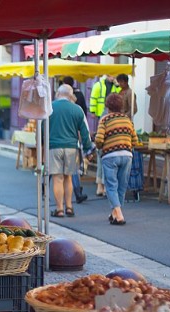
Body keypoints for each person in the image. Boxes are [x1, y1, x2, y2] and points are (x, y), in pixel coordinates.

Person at [48, 84, 93, 218]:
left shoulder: (50, 108)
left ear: (58, 93)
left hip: (54, 146)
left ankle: (59, 209)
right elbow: (85, 131)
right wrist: (87, 149)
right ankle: (69, 207)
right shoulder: (77, 109)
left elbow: (43, 128)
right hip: (71, 147)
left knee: (57, 178)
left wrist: (42, 145)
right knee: (68, 177)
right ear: (71, 95)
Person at [95, 93, 139, 226]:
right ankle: (114, 213)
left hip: (110, 156)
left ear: (107, 106)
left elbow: (99, 139)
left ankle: (119, 215)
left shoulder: (105, 120)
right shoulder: (127, 120)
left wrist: (100, 147)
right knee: (122, 186)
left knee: (111, 186)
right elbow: (135, 140)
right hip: (127, 155)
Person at [90, 75, 121, 198]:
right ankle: (103, 187)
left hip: (104, 142)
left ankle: (100, 186)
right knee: (106, 161)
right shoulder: (99, 85)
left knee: (101, 157)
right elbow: (94, 97)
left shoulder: (115, 86)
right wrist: (93, 111)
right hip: (100, 112)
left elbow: (118, 94)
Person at [61, 76, 88, 204]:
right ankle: (74, 198)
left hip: (56, 143)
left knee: (56, 175)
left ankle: (60, 206)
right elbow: (83, 119)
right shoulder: (78, 106)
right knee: (72, 171)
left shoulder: (54, 106)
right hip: (72, 141)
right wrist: (87, 145)